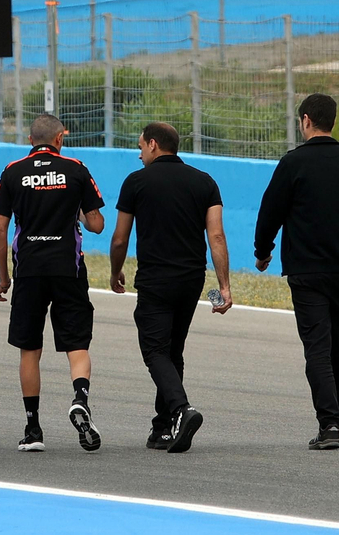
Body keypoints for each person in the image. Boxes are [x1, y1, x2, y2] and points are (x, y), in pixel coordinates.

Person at [255, 93, 339, 451]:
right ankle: (335, 420)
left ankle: (328, 424)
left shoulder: (292, 163)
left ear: (306, 120)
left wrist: (262, 252)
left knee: (317, 347)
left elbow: (270, 212)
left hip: (306, 271)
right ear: (333, 121)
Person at [109, 121, 231, 454]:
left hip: (155, 280)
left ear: (152, 145)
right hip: (191, 280)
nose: (138, 154)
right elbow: (216, 236)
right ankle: (162, 428)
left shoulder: (136, 182)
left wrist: (115, 271)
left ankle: (181, 409)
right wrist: (224, 287)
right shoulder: (205, 182)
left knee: (154, 350)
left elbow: (120, 238)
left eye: (140, 147)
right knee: (172, 350)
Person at [0, 113, 106, 453]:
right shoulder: (76, 169)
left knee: (30, 348)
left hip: (28, 268)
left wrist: (3, 276)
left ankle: (33, 429)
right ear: (60, 138)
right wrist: (76, 210)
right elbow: (97, 224)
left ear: (30, 140)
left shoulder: (12, 171)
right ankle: (80, 398)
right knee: (76, 342)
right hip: (68, 267)